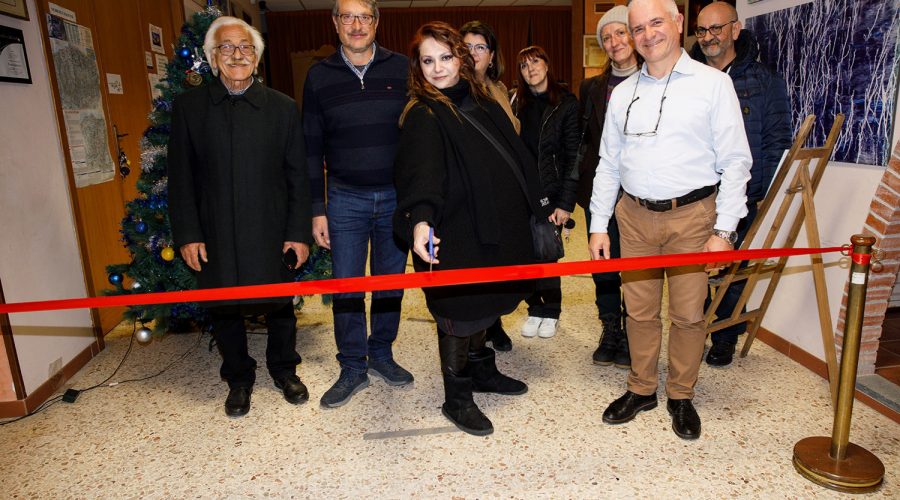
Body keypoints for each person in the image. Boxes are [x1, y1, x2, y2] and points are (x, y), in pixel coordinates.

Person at [588, 0, 752, 440]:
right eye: (638, 28)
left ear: (678, 24)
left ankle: (681, 394)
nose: (647, 35)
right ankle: (642, 389)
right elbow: (608, 163)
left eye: (656, 23)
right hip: (635, 218)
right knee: (638, 313)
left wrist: (724, 231)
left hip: (693, 219)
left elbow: (736, 162)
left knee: (687, 316)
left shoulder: (713, 85)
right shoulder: (621, 94)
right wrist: (599, 224)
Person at [394, 21, 543, 436]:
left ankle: (482, 371)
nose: (438, 68)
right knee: (457, 314)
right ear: (417, 66)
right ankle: (456, 398)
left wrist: (540, 205)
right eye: (428, 60)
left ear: (462, 58)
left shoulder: (483, 100)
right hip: (455, 234)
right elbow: (418, 177)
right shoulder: (423, 113)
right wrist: (420, 222)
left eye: (445, 57)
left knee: (488, 305)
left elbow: (518, 156)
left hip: (497, 230)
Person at [168, 16, 312, 418]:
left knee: (280, 305)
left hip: (271, 227)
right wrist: (189, 234)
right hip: (215, 229)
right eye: (227, 47)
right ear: (213, 58)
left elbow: (298, 176)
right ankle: (238, 377)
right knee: (224, 306)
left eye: (245, 47)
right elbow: (180, 178)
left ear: (257, 57)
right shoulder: (190, 108)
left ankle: (284, 369)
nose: (237, 54)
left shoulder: (283, 108)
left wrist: (298, 232)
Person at [302, 0, 413, 408]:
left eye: (364, 16)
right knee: (347, 286)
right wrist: (318, 208)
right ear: (335, 23)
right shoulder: (318, 76)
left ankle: (381, 352)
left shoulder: (403, 68)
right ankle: (352, 365)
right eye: (347, 16)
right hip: (344, 198)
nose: (356, 24)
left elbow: (419, 134)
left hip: (395, 197)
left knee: (389, 283)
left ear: (377, 22)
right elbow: (310, 149)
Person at [690, 1, 792, 367]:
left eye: (716, 28)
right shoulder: (686, 79)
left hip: (744, 196)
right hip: (695, 197)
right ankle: (694, 331)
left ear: (735, 29)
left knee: (731, 272)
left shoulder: (764, 80)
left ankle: (724, 336)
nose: (708, 37)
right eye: (702, 30)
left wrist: (765, 194)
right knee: (694, 272)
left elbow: (778, 141)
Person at [577, 5, 641, 369]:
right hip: (599, 192)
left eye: (620, 33)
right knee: (603, 265)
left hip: (639, 197)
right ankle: (610, 328)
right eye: (606, 37)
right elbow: (584, 141)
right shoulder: (592, 87)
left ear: (633, 35)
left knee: (634, 267)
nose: (614, 42)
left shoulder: (654, 78)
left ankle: (635, 330)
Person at [511, 45, 580, 340]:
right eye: (524, 66)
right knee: (526, 254)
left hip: (550, 192)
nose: (531, 69)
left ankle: (550, 311)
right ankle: (533, 309)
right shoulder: (516, 103)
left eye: (536, 62)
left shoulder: (566, 103)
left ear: (547, 65)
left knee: (547, 255)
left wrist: (565, 203)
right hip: (520, 193)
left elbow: (574, 156)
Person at [459, 20, 518, 352]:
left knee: (499, 263)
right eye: (466, 47)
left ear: (491, 56)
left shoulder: (498, 90)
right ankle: (476, 330)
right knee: (475, 266)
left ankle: (494, 322)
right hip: (471, 196)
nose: (473, 54)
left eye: (480, 47)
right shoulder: (452, 89)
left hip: (503, 194)